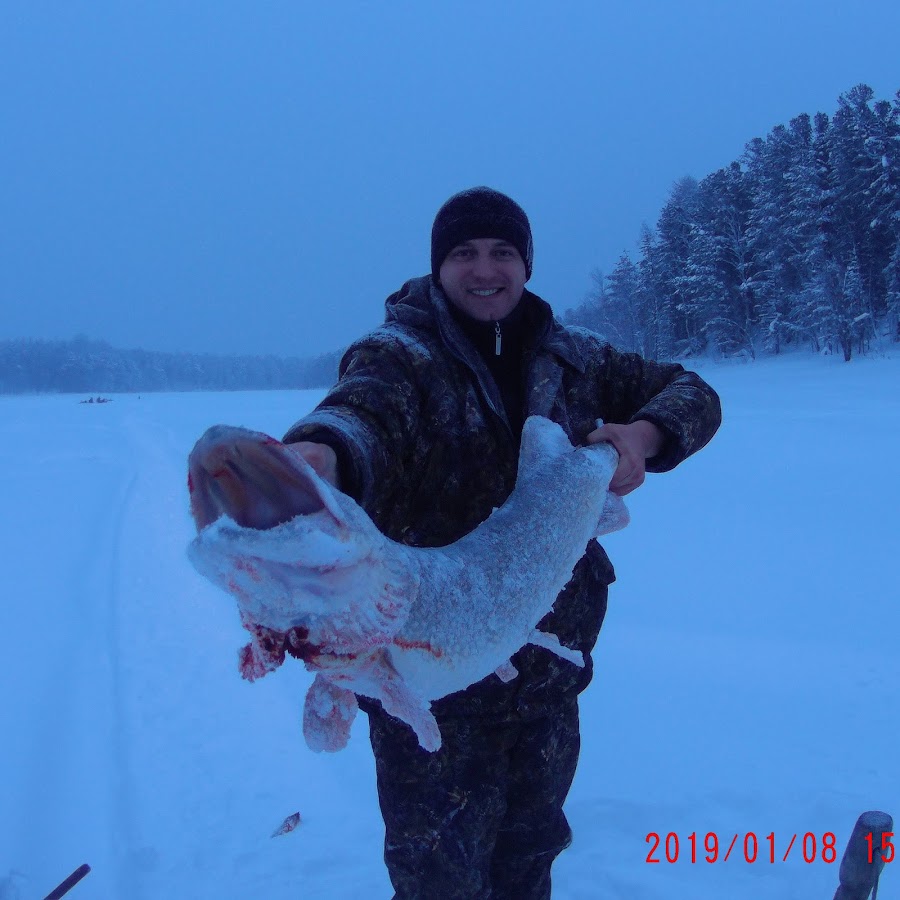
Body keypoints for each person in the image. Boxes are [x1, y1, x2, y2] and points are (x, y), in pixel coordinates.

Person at [282, 187, 721, 899]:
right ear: (438, 266)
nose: (484, 270)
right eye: (464, 254)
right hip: (431, 686)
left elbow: (692, 391)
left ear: (526, 263)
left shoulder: (574, 356)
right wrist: (318, 458)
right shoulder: (399, 355)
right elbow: (361, 413)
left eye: (502, 253)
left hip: (548, 683)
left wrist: (643, 438)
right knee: (440, 883)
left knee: (529, 867)